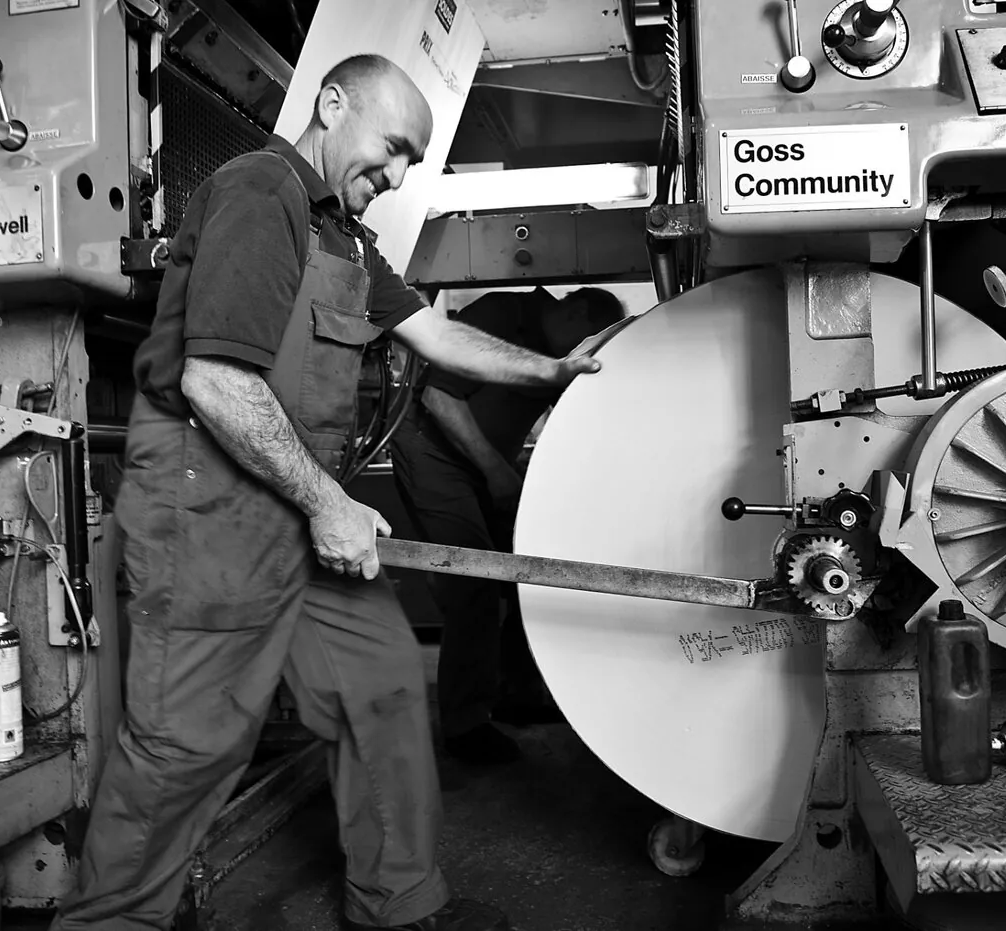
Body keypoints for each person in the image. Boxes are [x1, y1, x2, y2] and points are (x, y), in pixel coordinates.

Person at [49, 54, 600, 931]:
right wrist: (326, 503)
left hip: (301, 504)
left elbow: (437, 339)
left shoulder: (346, 236)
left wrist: (557, 370)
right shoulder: (261, 191)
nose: (394, 175)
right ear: (331, 104)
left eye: (412, 163)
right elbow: (218, 382)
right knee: (188, 742)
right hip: (213, 506)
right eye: (391, 149)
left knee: (380, 686)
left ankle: (400, 903)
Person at [389, 287, 626, 765]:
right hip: (434, 455)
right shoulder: (503, 312)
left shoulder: (561, 348)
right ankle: (465, 726)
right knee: (474, 587)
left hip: (487, 462)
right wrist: (499, 474)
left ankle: (517, 692)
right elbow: (439, 399)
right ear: (574, 309)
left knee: (531, 573)